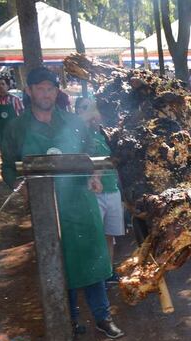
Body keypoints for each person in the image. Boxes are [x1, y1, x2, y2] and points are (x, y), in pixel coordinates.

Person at [1, 67, 124, 339]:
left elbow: (90, 154)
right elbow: (8, 167)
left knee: (92, 257)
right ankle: (69, 320)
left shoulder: (73, 122)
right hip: (47, 206)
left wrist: (94, 176)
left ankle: (103, 317)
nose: (46, 93)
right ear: (30, 91)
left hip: (80, 200)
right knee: (57, 262)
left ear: (56, 92)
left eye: (50, 89)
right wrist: (20, 189)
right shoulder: (16, 128)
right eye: (40, 88)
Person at [75, 96, 126, 282]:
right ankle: (96, 274)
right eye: (85, 109)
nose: (92, 114)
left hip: (112, 190)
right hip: (93, 194)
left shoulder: (108, 134)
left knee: (109, 235)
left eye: (94, 109)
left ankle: (108, 271)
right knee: (95, 235)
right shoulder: (80, 136)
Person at [0, 75, 24, 151]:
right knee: (5, 150)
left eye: (3, 84)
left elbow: (22, 113)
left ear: (7, 86)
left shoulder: (15, 99)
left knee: (18, 149)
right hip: (3, 130)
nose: (1, 86)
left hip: (15, 129)